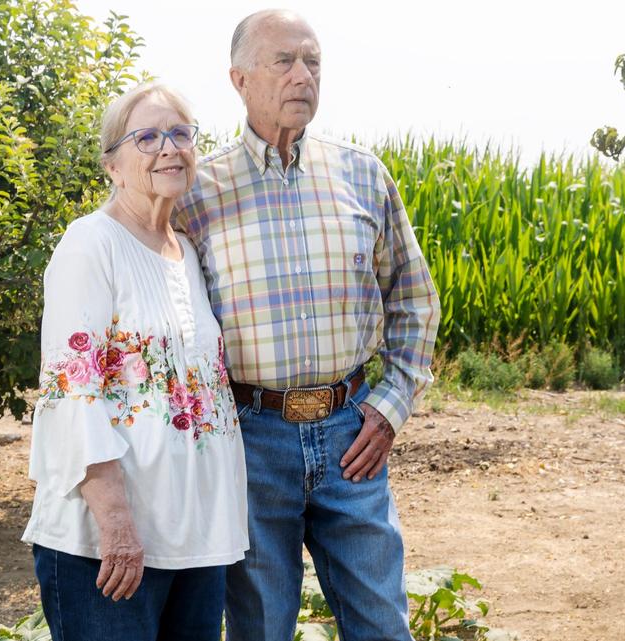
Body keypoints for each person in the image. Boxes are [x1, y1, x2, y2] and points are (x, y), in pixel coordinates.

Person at [174, 9, 441, 641]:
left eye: (313, 62)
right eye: (284, 62)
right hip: (251, 440)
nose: (303, 76)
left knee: (382, 622)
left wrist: (391, 404)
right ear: (239, 79)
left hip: (354, 433)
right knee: (260, 627)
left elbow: (414, 299)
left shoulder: (363, 175)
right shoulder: (196, 192)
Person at [22, 82, 248, 641]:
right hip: (109, 545)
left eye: (179, 134)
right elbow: (74, 393)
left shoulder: (189, 253)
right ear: (113, 166)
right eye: (147, 137)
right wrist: (116, 522)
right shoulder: (90, 243)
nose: (168, 148)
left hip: (195, 538)